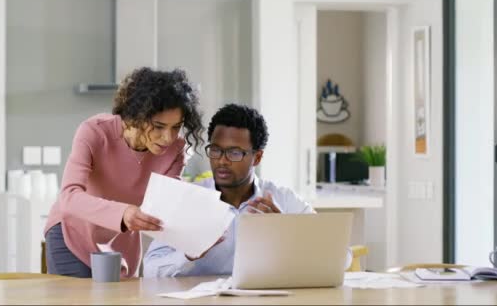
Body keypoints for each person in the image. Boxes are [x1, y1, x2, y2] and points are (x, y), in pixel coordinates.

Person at [143, 103, 351, 277]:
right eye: (215, 150)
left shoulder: (283, 200)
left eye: (234, 152)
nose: (222, 161)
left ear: (257, 157)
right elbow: (151, 270)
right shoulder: (187, 200)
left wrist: (286, 234)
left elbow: (342, 258)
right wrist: (188, 254)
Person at [44, 67, 204, 278]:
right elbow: (69, 197)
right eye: (158, 126)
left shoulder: (176, 150)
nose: (168, 137)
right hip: (71, 234)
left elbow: (165, 206)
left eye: (176, 127)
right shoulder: (94, 131)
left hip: (120, 244)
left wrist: (202, 231)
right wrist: (123, 213)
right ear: (135, 116)